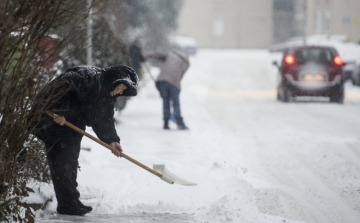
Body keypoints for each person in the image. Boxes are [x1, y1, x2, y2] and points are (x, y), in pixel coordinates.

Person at [28, 65, 138, 216]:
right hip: (52, 119)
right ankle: (67, 204)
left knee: (71, 158)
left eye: (124, 90)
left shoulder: (107, 95)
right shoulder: (88, 77)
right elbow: (58, 89)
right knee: (62, 160)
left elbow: (104, 120)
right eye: (121, 87)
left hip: (72, 123)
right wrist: (56, 111)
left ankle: (72, 200)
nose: (121, 92)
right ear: (114, 80)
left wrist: (112, 140)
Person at [144, 50, 189, 130]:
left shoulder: (170, 54)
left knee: (166, 102)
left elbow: (157, 54)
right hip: (174, 83)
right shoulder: (186, 63)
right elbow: (180, 75)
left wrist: (146, 55)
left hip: (163, 80)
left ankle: (166, 123)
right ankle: (178, 120)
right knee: (176, 103)